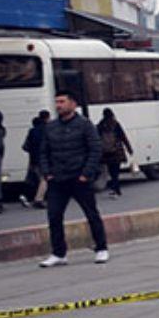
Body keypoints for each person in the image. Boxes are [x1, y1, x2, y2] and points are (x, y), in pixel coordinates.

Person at [39, 91, 108, 267]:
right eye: (56, 102)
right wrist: (47, 173)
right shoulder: (51, 127)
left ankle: (101, 248)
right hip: (57, 179)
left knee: (91, 213)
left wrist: (86, 173)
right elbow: (43, 152)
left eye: (62, 101)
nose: (58, 105)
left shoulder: (85, 125)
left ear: (73, 104)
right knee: (54, 216)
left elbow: (95, 149)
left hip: (79, 178)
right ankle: (58, 253)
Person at [97, 108, 134, 197]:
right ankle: (116, 189)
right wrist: (129, 149)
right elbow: (123, 137)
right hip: (117, 151)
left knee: (111, 171)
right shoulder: (115, 124)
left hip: (106, 153)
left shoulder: (100, 125)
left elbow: (97, 139)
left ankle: (115, 189)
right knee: (116, 172)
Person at [20, 111, 50, 209]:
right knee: (44, 179)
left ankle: (25, 196)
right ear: (47, 118)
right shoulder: (47, 130)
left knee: (32, 179)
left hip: (33, 159)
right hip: (43, 158)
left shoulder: (32, 131)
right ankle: (39, 199)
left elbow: (25, 146)